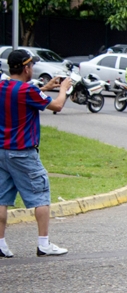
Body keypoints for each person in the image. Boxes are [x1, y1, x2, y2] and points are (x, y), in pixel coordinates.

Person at [0, 49, 73, 258]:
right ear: (26, 68)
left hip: (1, 152)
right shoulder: (28, 91)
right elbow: (57, 105)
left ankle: (1, 243)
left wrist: (45, 88)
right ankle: (43, 244)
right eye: (31, 66)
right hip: (23, 153)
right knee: (40, 195)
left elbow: (21, 95)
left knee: (1, 198)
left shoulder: (3, 86)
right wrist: (64, 90)